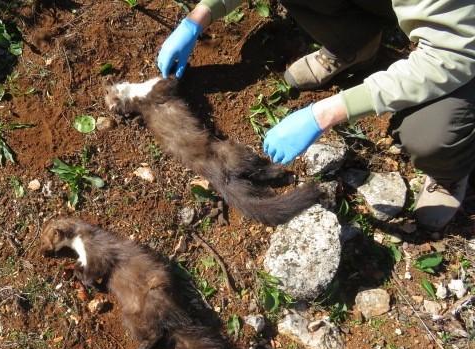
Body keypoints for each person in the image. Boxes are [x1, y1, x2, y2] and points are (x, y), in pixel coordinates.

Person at [157, 0, 475, 230]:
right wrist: (198, 18)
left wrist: (324, 113)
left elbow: (452, 53)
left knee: (432, 134)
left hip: (463, 42)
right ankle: (354, 45)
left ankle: (450, 168)